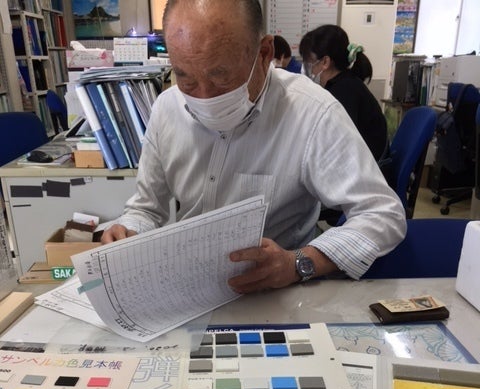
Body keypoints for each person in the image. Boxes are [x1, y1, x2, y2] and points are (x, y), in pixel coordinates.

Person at [101, 0, 406, 294]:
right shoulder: (167, 108)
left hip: (276, 292)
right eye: (185, 78)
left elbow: (382, 215)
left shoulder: (311, 112)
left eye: (220, 77)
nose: (204, 97)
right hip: (190, 287)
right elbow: (146, 208)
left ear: (264, 53)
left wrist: (298, 263)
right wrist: (128, 230)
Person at [299, 24, 388, 162]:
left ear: (325, 62)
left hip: (368, 168)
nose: (306, 69)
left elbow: (336, 145)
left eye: (309, 63)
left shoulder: (344, 91)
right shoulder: (345, 83)